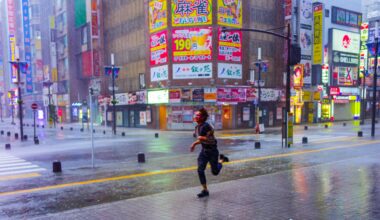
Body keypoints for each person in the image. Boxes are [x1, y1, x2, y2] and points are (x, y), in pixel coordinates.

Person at [190, 108, 229, 198]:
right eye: (196, 115)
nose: (196, 116)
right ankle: (205, 190)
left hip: (212, 151)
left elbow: (211, 139)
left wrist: (202, 138)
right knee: (200, 170)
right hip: (204, 151)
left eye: (198, 115)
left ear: (203, 117)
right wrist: (194, 144)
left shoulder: (206, 126)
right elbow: (201, 140)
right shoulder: (197, 127)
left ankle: (222, 160)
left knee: (215, 172)